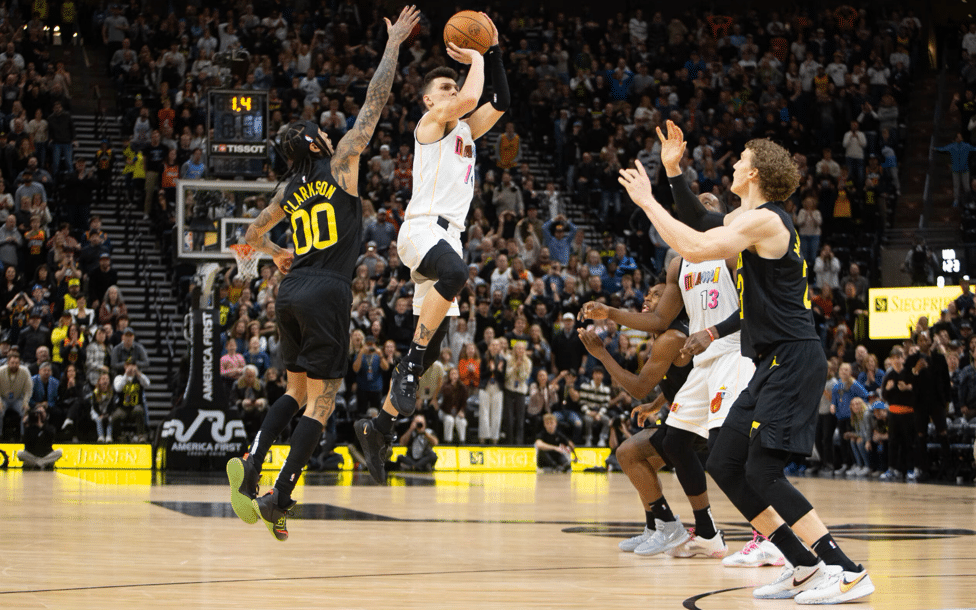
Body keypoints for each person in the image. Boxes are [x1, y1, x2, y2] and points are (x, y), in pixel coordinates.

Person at [618, 134, 873, 603]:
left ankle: (846, 570)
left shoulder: (765, 221)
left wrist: (649, 202)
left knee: (764, 471)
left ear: (753, 173)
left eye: (740, 160)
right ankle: (803, 566)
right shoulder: (747, 218)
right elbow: (702, 220)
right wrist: (674, 173)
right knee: (724, 462)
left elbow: (694, 246)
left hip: (794, 357)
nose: (733, 164)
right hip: (769, 360)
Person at [225, 6, 420, 542]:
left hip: (287, 293)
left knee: (294, 388)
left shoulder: (289, 191)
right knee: (325, 398)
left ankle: (253, 455)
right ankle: (281, 495)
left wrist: (273, 254)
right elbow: (373, 105)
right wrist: (394, 45)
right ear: (317, 144)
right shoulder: (342, 165)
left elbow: (249, 235)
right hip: (328, 290)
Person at [581, 121, 756, 559]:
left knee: (729, 451)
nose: (707, 204)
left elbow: (753, 308)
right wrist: (612, 314)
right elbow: (659, 316)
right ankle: (707, 532)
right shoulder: (680, 263)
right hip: (703, 361)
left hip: (733, 351)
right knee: (676, 444)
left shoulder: (732, 250)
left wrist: (713, 331)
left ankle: (765, 535)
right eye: (700, 203)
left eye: (713, 202)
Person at [358, 13, 510, 478]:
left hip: (450, 236)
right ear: (429, 99)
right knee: (457, 276)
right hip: (422, 229)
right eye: (443, 89)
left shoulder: (465, 131)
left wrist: (495, 51)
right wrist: (476, 56)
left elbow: (498, 100)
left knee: (437, 341)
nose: (452, 93)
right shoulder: (432, 122)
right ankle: (407, 365)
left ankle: (378, 427)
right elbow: (470, 96)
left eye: (451, 88)